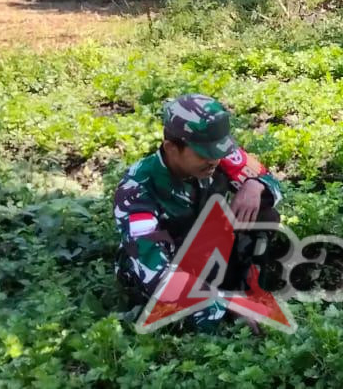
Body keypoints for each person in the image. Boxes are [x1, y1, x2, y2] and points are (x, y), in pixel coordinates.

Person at [113, 93, 283, 330]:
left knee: (263, 215)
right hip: (166, 272)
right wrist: (224, 305)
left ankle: (246, 289)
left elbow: (269, 180)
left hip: (206, 255)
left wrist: (256, 185)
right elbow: (152, 270)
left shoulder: (217, 156)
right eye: (205, 153)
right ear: (172, 148)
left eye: (219, 151)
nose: (214, 160)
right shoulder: (137, 189)